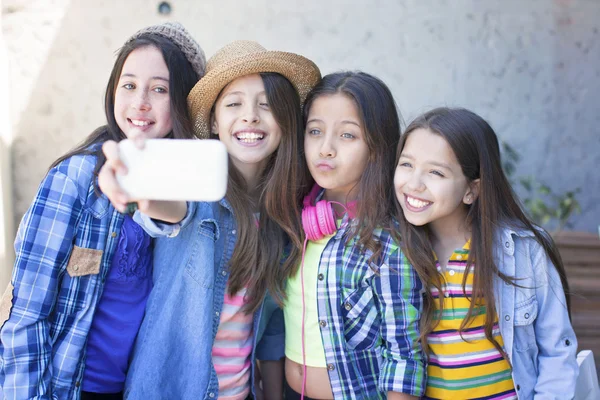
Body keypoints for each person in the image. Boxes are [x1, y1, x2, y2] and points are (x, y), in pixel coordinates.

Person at [98, 40, 321, 400]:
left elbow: (271, 326)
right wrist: (134, 187)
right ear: (214, 121)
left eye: (266, 105)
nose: (250, 116)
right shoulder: (197, 195)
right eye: (234, 104)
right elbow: (167, 210)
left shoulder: (283, 215)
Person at [0, 22, 205, 400]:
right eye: (128, 85)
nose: (140, 101)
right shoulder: (75, 177)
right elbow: (26, 313)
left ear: (182, 101)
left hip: (137, 386)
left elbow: (170, 217)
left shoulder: (186, 185)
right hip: (67, 386)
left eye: (159, 89)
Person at [393, 107, 578, 399]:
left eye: (436, 172)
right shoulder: (397, 253)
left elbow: (556, 351)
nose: (414, 183)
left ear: (471, 189)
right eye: (406, 164)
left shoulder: (522, 252)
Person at [281, 72, 426, 400]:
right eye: (315, 131)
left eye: (347, 135)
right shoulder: (296, 222)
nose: (326, 149)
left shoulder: (387, 241)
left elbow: (403, 355)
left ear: (377, 145)